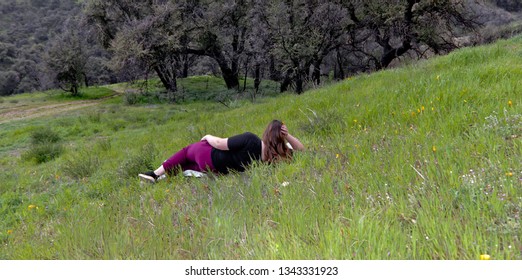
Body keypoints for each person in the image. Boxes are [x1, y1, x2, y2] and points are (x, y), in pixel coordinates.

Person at [138, 120, 304, 183]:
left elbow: (219, 143)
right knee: (186, 166)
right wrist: (287, 136)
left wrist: (208, 136)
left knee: (187, 152)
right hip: (216, 170)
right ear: (282, 138)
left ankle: (154, 173)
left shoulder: (251, 139)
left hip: (210, 157)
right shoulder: (275, 159)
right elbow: (302, 151)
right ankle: (161, 179)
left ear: (266, 133)